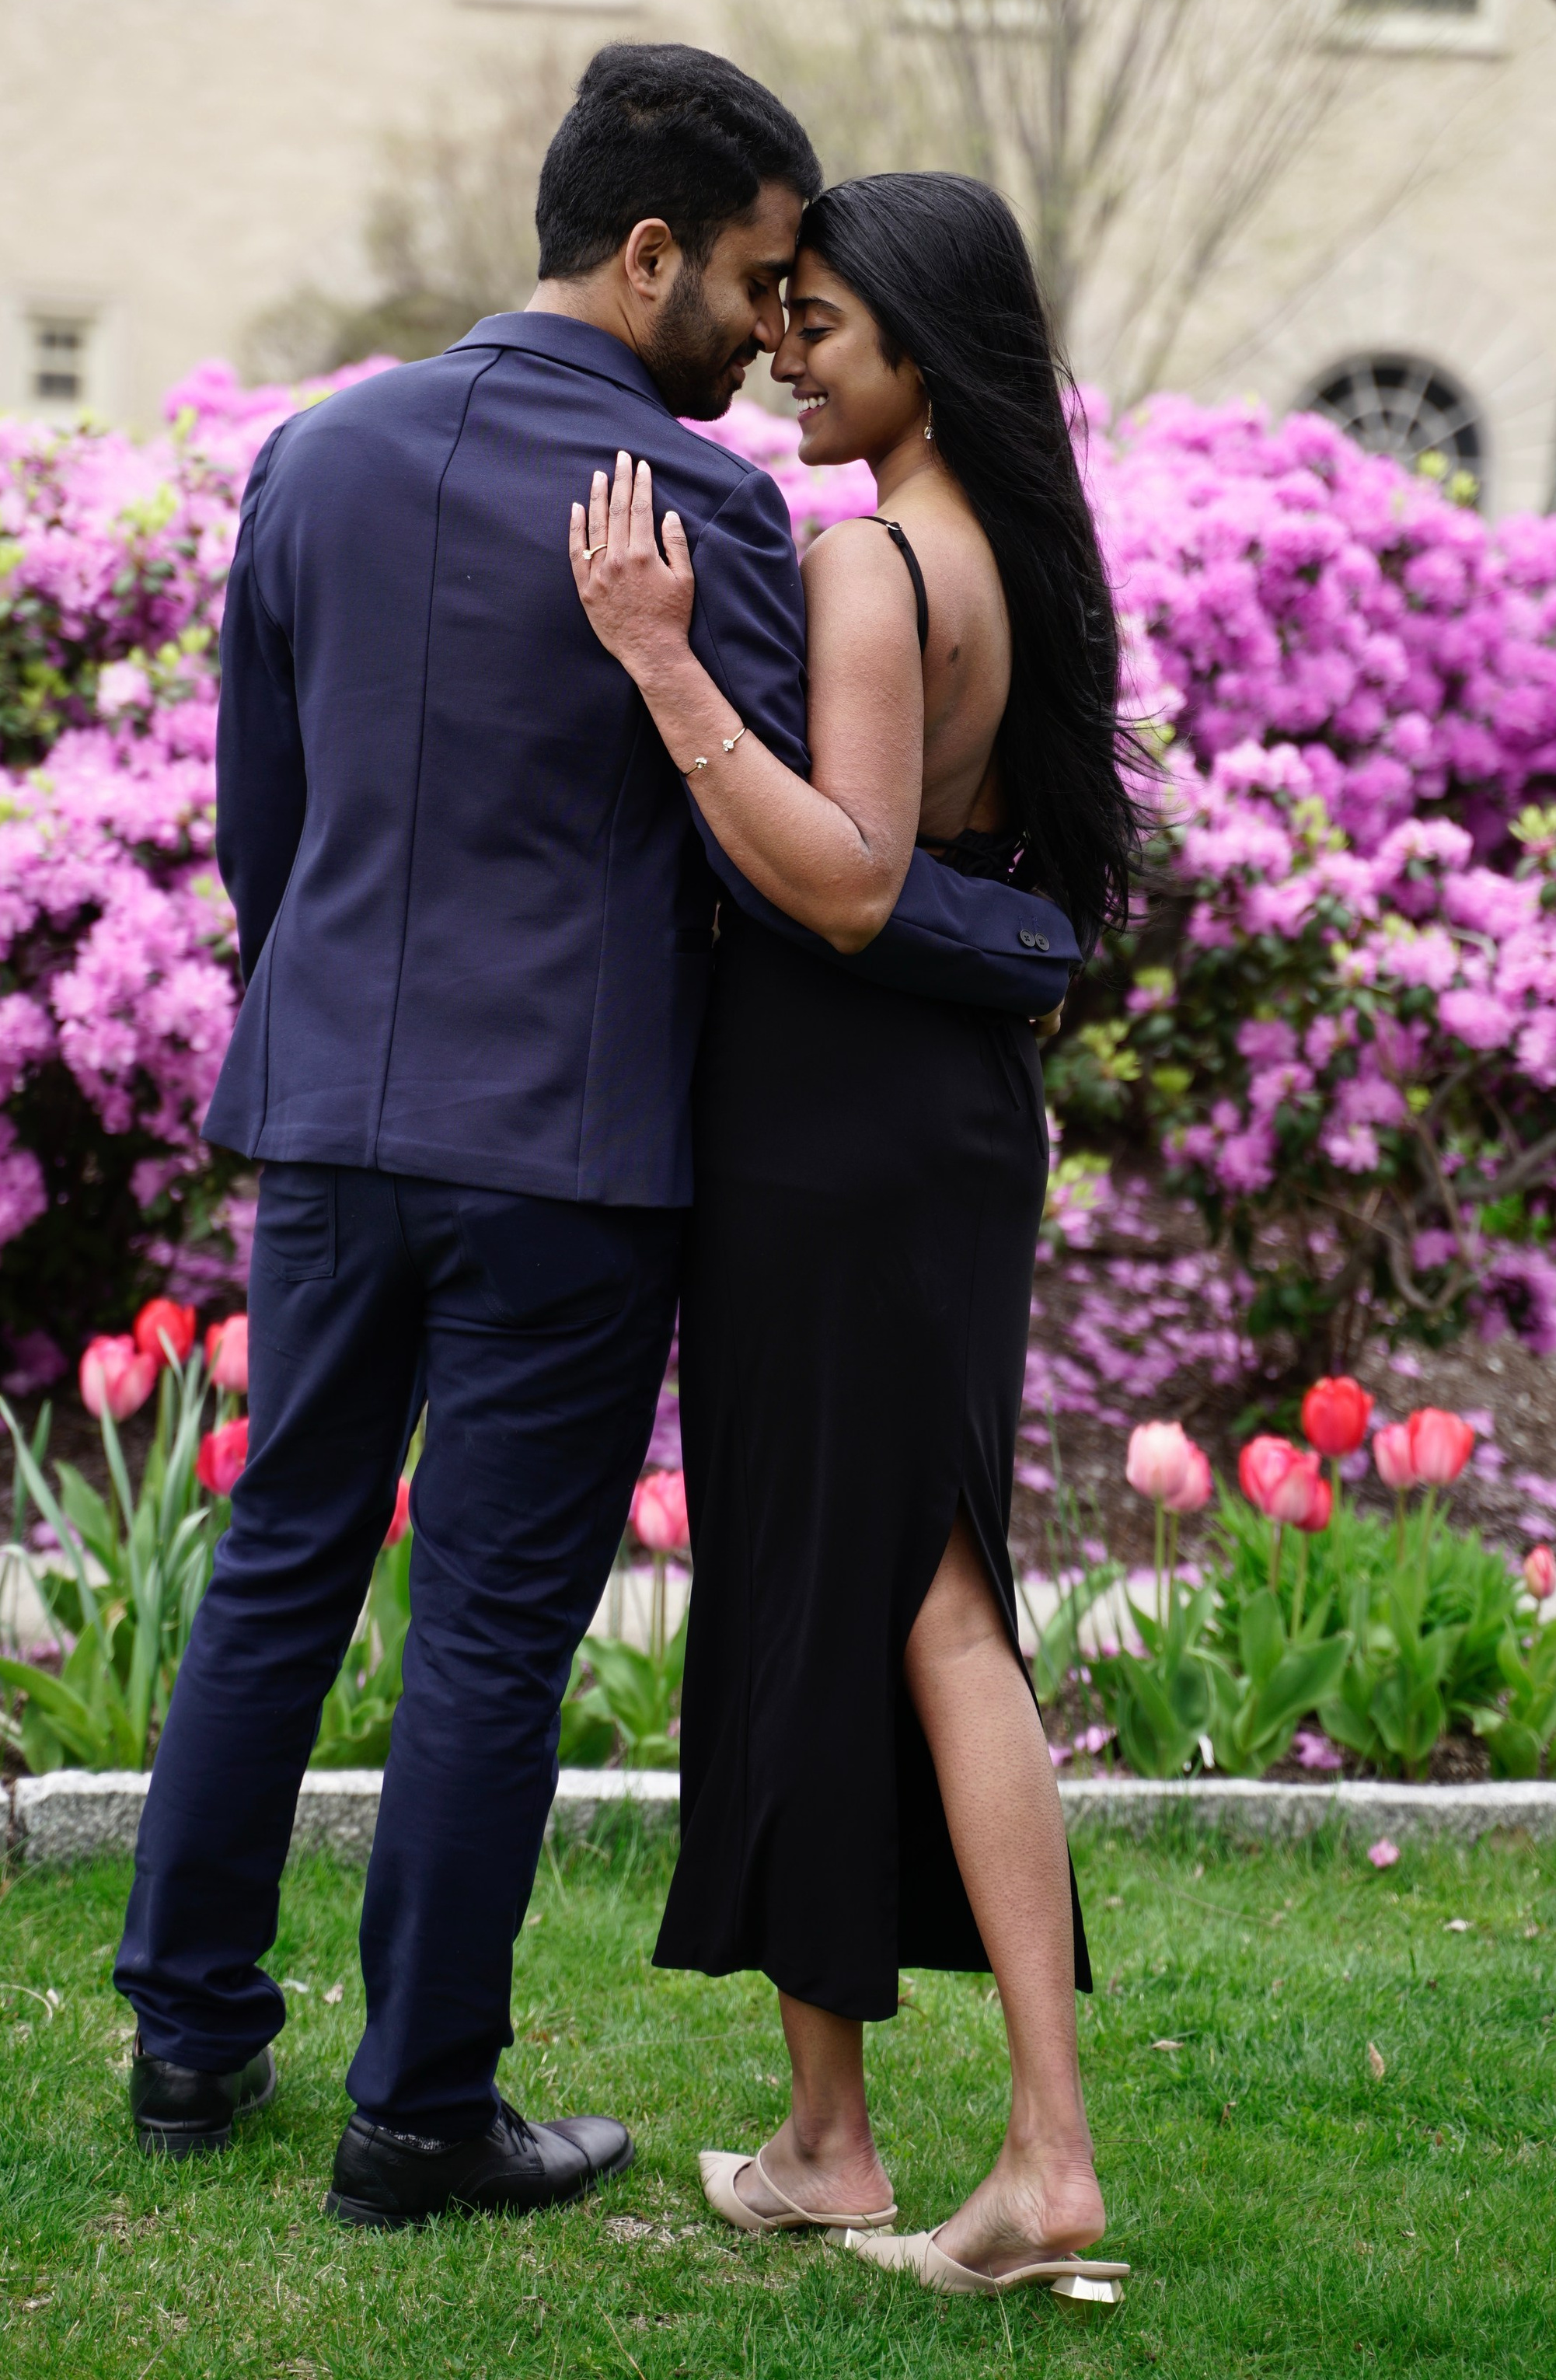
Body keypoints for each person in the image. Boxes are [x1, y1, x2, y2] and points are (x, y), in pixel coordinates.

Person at [111, 51, 1077, 2225]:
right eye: (746, 280)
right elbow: (781, 856)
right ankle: (417, 2110)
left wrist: (333, 1017)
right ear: (644, 254)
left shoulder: (317, 458)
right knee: (486, 1623)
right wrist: (1009, 931)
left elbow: (260, 822)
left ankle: (187, 2037)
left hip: (334, 1119)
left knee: (279, 1554)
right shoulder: (711, 513)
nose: (761, 329)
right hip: (571, 1148)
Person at [570, 169, 1139, 2301]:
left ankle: (1036, 2155)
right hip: (929, 1128)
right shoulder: (1009, 547)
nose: (782, 353)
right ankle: (831, 2137)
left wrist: (657, 665)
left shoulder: (879, 561)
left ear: (921, 345)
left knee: (912, 1606)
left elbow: (844, 876)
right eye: (778, 313)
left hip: (843, 1136)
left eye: (820, 324)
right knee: (883, 1596)